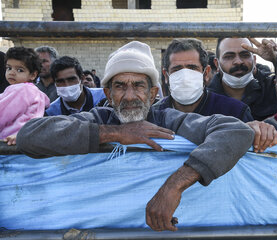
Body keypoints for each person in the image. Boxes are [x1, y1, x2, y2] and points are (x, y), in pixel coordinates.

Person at [17, 41, 255, 232]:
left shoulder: (167, 119)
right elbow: (29, 136)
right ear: (108, 95)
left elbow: (236, 131)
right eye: (120, 86)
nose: (130, 96)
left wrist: (173, 186)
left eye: (138, 86)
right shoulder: (99, 117)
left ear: (153, 93)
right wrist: (115, 133)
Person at [153, 38, 253, 123]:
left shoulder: (235, 111)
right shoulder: (153, 114)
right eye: (177, 69)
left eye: (192, 68)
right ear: (166, 75)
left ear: (206, 73)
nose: (185, 76)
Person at [207, 37, 277, 121]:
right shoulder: (205, 99)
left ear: (254, 61)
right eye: (229, 57)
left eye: (245, 55)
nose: (238, 61)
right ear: (217, 64)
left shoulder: (271, 90)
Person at [0, 47, 50, 145]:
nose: (12, 72)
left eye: (20, 70)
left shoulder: (22, 90)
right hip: (24, 142)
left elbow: (3, 114)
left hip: (10, 141)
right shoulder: (35, 91)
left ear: (33, 75)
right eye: (9, 68)